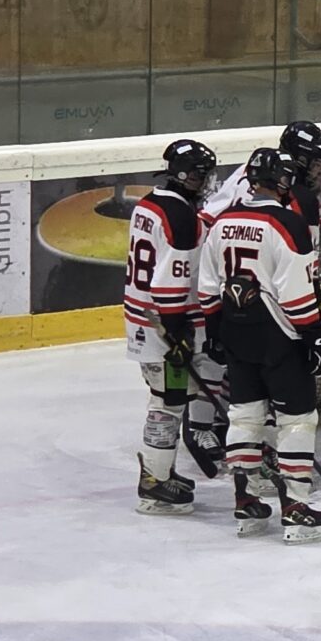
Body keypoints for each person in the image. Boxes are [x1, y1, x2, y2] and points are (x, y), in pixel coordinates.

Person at [197, 147, 321, 544]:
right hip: (279, 335)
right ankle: (296, 508)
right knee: (297, 419)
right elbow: (297, 294)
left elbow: (208, 287)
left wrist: (215, 330)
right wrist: (314, 335)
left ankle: (246, 502)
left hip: (236, 331)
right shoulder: (288, 223)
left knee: (244, 415)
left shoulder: (224, 220)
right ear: (282, 181)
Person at [123, 139, 218, 515]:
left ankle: (162, 470)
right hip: (166, 327)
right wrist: (179, 334)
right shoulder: (180, 217)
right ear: (182, 176)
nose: (205, 182)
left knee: (168, 398)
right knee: (168, 401)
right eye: (200, 175)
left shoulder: (149, 203)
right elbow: (169, 285)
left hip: (145, 320)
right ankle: (153, 484)